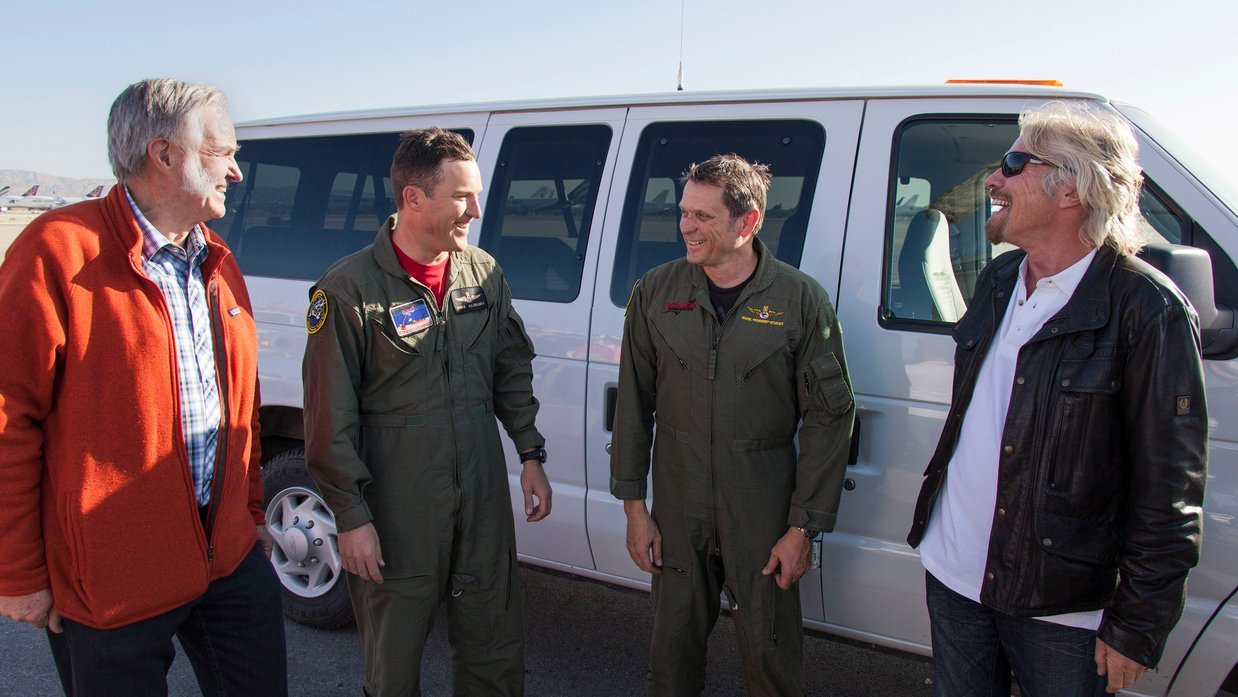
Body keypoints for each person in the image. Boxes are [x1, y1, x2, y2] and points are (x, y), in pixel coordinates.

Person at [907, 101, 1208, 696]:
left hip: (1062, 608)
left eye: (1013, 164)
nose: (993, 180)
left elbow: (1169, 488)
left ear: (1070, 187)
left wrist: (1137, 626)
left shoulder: (1146, 308)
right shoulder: (999, 279)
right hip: (953, 574)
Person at [0, 78, 287, 696]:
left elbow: (242, 410)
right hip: (112, 582)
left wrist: (254, 512)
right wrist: (19, 572)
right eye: (225, 153)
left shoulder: (217, 259)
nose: (238, 172)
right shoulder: (56, 253)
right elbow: (6, 421)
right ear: (165, 154)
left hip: (230, 562)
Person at [303, 127, 552, 696]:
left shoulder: (483, 272)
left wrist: (530, 454)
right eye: (462, 196)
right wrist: (350, 516)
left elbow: (509, 369)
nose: (476, 210)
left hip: (481, 494)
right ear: (413, 199)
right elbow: (327, 421)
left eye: (476, 194)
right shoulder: (347, 291)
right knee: (395, 662)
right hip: (398, 502)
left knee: (495, 644)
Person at [611, 154, 856, 696]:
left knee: (771, 658)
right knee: (670, 656)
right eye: (684, 212)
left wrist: (802, 529)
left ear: (749, 222)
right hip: (677, 504)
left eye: (704, 216)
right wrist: (635, 509)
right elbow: (633, 405)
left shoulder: (799, 300)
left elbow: (828, 420)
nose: (687, 227)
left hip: (762, 509)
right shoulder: (655, 291)